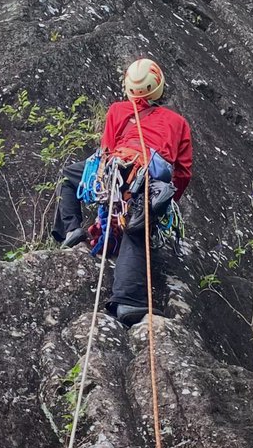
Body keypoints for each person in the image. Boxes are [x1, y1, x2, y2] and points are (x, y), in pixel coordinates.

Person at [52, 58, 193, 326]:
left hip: (116, 169)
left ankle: (71, 228)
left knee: (70, 177)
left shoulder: (117, 111)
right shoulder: (177, 122)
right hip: (149, 180)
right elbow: (183, 172)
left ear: (129, 88)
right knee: (137, 229)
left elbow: (106, 150)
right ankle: (128, 300)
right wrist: (164, 204)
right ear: (158, 88)